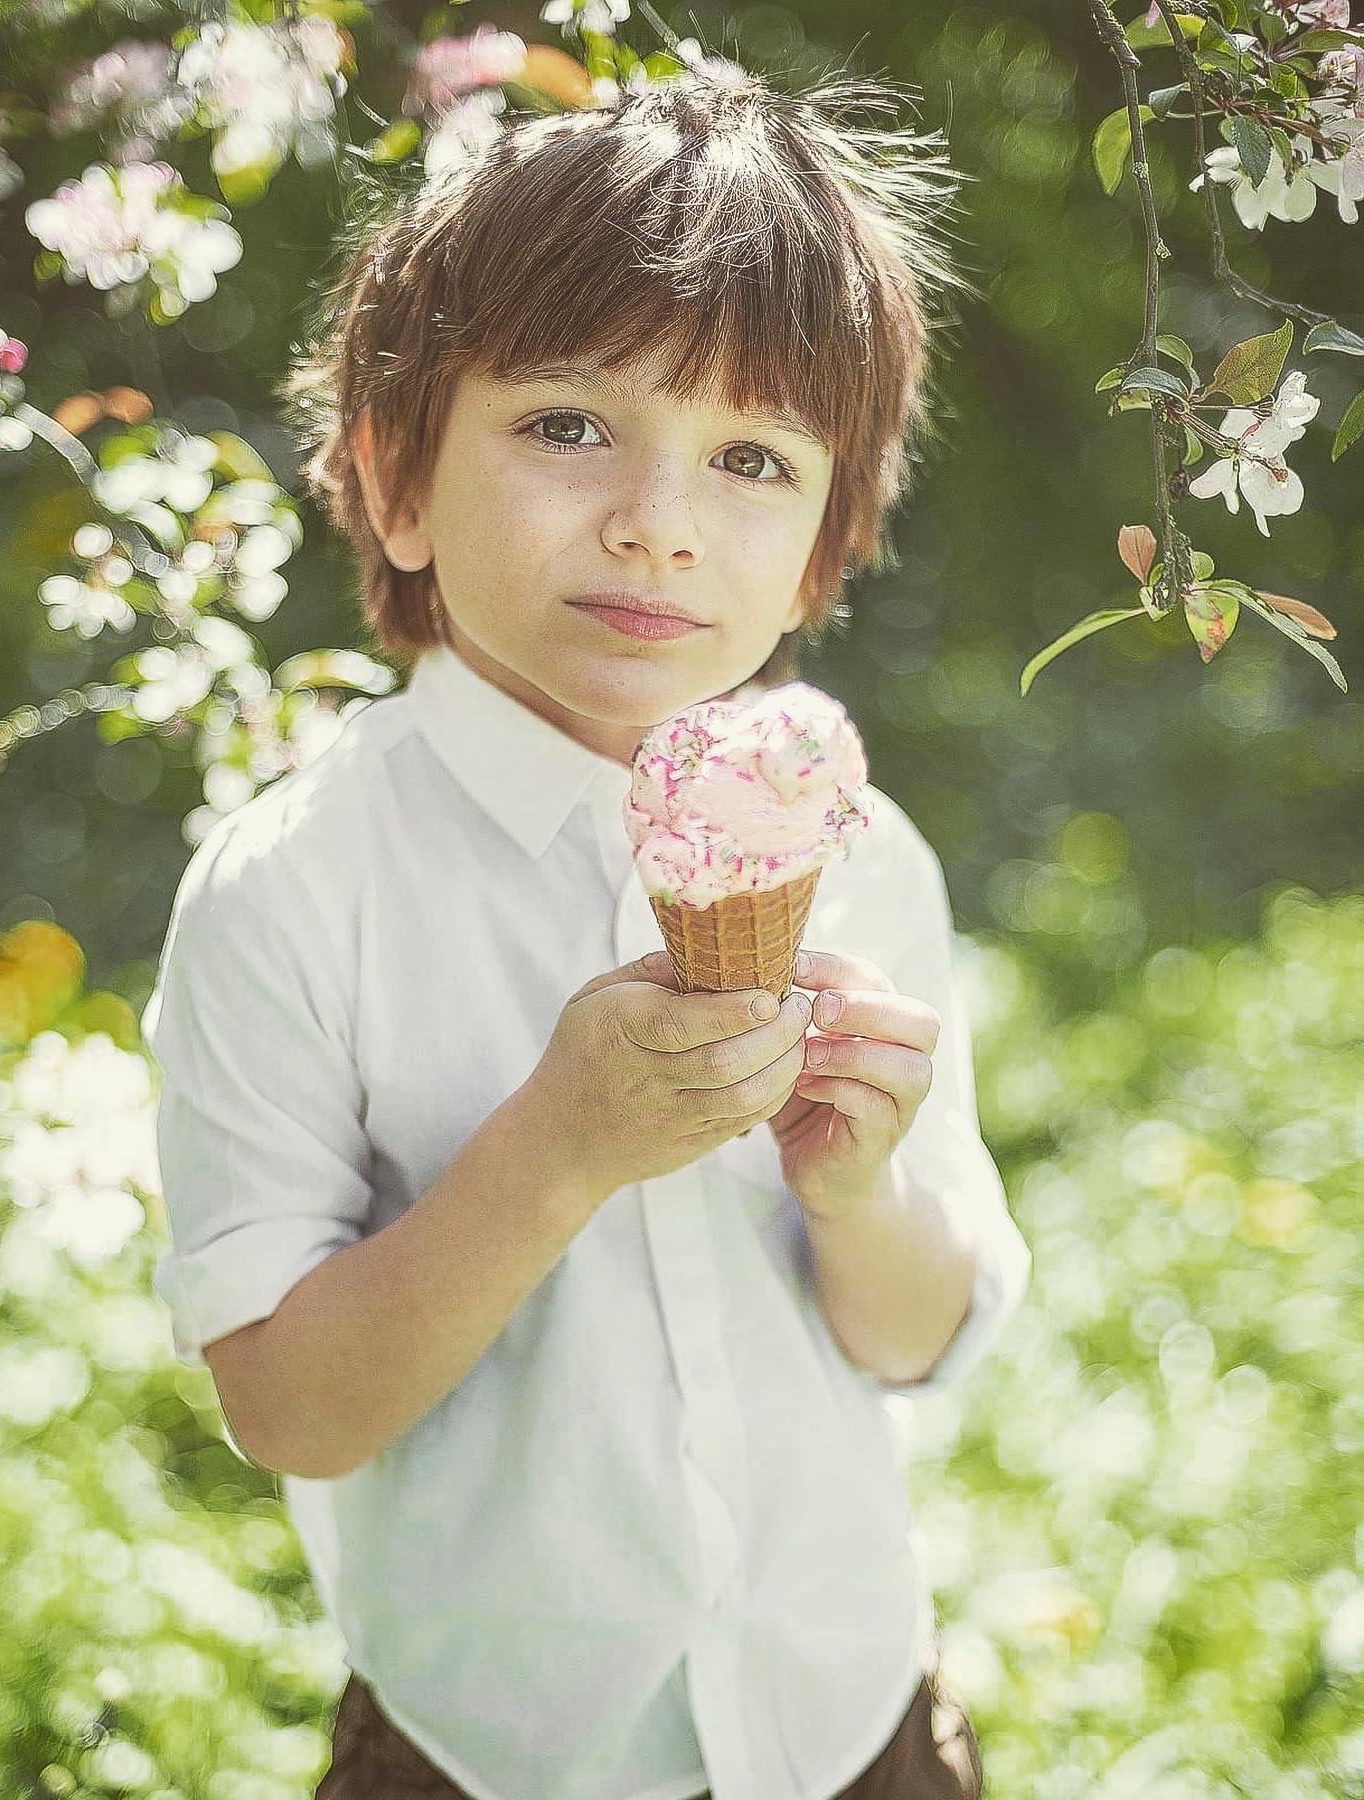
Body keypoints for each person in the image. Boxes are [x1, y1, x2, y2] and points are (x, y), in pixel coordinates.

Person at [143, 63, 1032, 1800]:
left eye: (752, 459)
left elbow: (919, 1336)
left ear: (820, 558)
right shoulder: (294, 890)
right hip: (488, 1754)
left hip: (849, 1721)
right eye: (566, 425)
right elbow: (292, 1411)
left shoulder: (864, 860)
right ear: (397, 482)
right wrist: (553, 1149)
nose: (659, 517)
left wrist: (861, 1190)